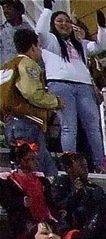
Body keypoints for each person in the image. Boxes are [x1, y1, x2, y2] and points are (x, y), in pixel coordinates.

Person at [36, 2, 106, 170]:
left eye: (67, 21)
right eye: (60, 21)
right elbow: (39, 31)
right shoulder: (50, 41)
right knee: (69, 127)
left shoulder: (79, 44)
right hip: (60, 85)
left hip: (84, 87)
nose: (64, 24)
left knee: (93, 127)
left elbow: (100, 46)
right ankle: (70, 165)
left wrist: (102, 27)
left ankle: (100, 164)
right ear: (53, 24)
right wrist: (47, 9)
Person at [1, 27, 61, 177]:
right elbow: (31, 92)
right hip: (27, 122)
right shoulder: (28, 64)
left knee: (31, 169)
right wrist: (55, 101)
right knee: (39, 171)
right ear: (33, 46)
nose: (40, 50)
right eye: (39, 46)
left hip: (10, 124)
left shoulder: (6, 67)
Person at [50, 150, 106, 229]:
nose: (86, 170)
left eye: (86, 167)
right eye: (81, 166)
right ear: (69, 168)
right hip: (68, 225)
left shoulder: (94, 188)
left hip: (91, 227)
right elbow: (59, 206)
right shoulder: (60, 184)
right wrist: (75, 193)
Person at [0, 0, 32, 66]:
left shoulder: (29, 29)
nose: (5, 11)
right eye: (4, 8)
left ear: (18, 11)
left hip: (24, 68)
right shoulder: (1, 30)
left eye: (8, 7)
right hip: (6, 70)